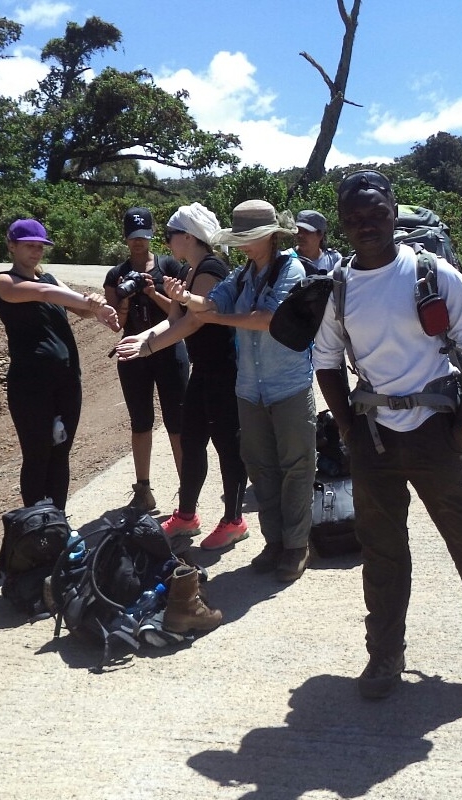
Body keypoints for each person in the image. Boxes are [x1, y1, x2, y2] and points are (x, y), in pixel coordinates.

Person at [312, 170, 462, 703]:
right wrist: (346, 425)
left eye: (377, 215)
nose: (367, 226)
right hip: (374, 439)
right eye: (356, 219)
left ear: (393, 212)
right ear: (343, 223)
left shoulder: (433, 275)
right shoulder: (340, 288)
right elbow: (326, 360)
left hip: (438, 435)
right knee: (382, 552)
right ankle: (385, 653)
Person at [165, 200, 315, 581]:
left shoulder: (291, 269)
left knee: (296, 466)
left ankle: (296, 545)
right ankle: (275, 542)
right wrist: (186, 300)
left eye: (249, 239)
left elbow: (268, 319)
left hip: (288, 383)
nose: (244, 247)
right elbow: (211, 302)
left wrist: (216, 317)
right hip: (250, 387)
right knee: (261, 466)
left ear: (270, 236)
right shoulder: (243, 274)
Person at [114, 203, 248, 550]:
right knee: (191, 442)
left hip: (222, 371)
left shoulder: (211, 268)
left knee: (227, 446)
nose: (167, 240)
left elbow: (193, 321)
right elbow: (173, 318)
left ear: (187, 236)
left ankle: (234, 520)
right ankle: (187, 516)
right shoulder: (191, 270)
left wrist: (149, 349)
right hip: (203, 370)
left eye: (171, 234)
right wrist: (141, 337)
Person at [0, 218, 119, 511]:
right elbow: (44, 294)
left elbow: (78, 307)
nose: (36, 252)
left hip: (67, 380)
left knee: (61, 454)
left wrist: (96, 306)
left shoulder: (49, 278)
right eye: (29, 246)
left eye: (40, 247)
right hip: (30, 385)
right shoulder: (3, 281)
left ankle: (57, 519)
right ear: (11, 246)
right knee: (37, 455)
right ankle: (37, 526)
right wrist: (92, 303)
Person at [104, 207, 190, 512]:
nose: (138, 242)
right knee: (140, 423)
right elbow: (114, 323)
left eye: (143, 235)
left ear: (151, 235)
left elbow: (181, 313)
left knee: (177, 424)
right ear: (126, 238)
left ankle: (186, 493)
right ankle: (142, 490)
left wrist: (153, 292)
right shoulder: (116, 275)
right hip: (133, 354)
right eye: (133, 236)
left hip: (169, 351)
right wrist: (124, 299)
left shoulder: (169, 266)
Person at [291, 209, 342, 274]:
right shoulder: (286, 258)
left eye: (307, 231)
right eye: (298, 230)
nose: (300, 235)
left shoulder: (334, 260)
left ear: (320, 235)